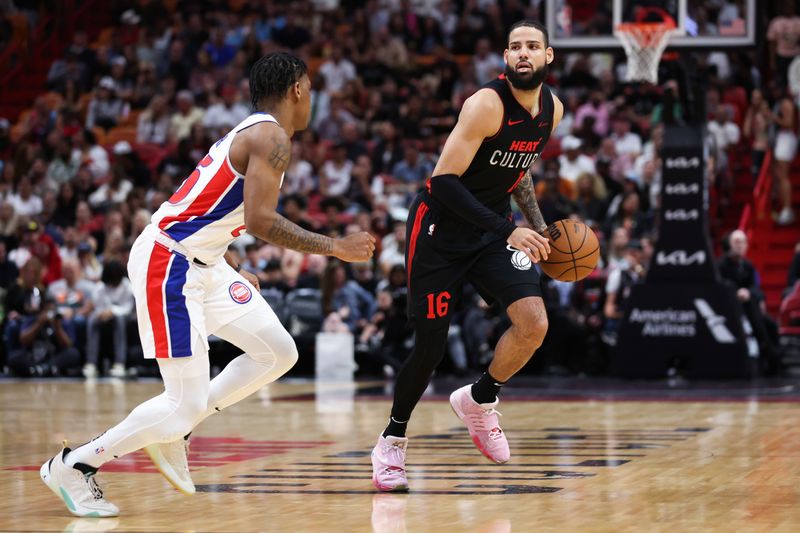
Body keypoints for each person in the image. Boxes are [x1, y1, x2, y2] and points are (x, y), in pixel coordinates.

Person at [40, 52, 375, 517]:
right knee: (180, 402)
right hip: (169, 262)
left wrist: (230, 261)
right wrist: (335, 246)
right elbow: (259, 219)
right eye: (312, 88)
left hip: (208, 263)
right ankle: (74, 465)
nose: (312, 98)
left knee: (278, 352)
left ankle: (180, 427)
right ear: (298, 89)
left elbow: (213, 210)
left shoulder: (253, 132)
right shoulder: (270, 136)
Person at [371, 20, 562, 492]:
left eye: (532, 46)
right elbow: (442, 182)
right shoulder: (484, 105)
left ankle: (479, 400)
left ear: (548, 57)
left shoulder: (551, 111)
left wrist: (537, 225)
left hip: (492, 230)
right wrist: (510, 230)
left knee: (534, 322)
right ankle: (391, 440)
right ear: (505, 56)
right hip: (439, 230)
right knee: (431, 347)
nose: (523, 53)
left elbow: (518, 171)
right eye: (515, 46)